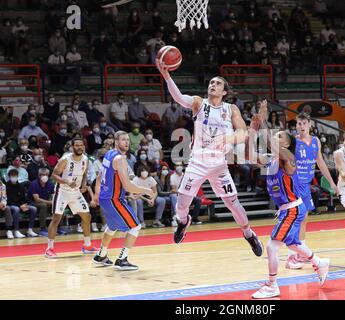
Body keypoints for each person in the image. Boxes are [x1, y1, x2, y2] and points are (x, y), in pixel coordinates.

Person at [156, 61, 263, 256]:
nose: (212, 85)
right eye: (211, 82)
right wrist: (167, 77)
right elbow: (179, 98)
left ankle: (248, 234)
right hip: (197, 162)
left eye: (217, 84)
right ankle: (183, 221)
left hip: (219, 165)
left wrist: (230, 137)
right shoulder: (199, 102)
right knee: (181, 205)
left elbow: (243, 132)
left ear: (224, 92)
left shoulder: (231, 109)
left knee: (233, 203)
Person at [248, 117, 330, 299]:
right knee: (293, 243)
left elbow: (270, 142)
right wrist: (252, 131)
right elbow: (248, 154)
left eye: (280, 137)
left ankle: (272, 285)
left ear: (287, 144)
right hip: (286, 209)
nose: (275, 139)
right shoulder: (271, 160)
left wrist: (262, 122)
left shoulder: (289, 159)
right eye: (275, 136)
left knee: (271, 247)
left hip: (293, 209)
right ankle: (319, 262)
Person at [280, 111, 339, 269]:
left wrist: (332, 183)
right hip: (295, 183)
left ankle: (300, 253)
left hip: (305, 185)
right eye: (299, 123)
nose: (301, 126)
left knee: (304, 218)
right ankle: (291, 257)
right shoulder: (292, 142)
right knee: (296, 219)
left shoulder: (316, 141)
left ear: (310, 125)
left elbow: (321, 163)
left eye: (304, 123)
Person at [93, 131, 154, 270]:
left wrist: (97, 195)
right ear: (116, 141)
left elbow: (99, 176)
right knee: (135, 226)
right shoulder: (120, 159)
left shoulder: (108, 154)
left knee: (112, 226)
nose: (126, 142)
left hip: (105, 198)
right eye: (123, 140)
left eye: (127, 139)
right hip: (114, 199)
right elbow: (127, 186)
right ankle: (122, 259)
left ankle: (101, 255)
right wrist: (146, 190)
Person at [45, 138, 97, 258]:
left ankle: (87, 245)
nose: (79, 147)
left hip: (76, 192)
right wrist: (66, 182)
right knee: (56, 218)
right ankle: (49, 248)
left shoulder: (85, 159)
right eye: (77, 145)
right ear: (72, 147)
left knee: (87, 216)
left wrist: (84, 184)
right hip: (62, 191)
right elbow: (53, 175)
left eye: (81, 145)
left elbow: (84, 174)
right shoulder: (65, 159)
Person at [6, 169, 38, 238]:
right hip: (11, 205)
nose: (14, 177)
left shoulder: (20, 186)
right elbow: (8, 200)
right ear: (9, 177)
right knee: (16, 209)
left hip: (20, 205)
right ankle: (16, 230)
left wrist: (24, 204)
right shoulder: (6, 186)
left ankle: (30, 229)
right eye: (12, 176)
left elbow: (23, 198)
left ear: (17, 176)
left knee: (33, 209)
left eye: (15, 176)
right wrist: (20, 206)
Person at [28, 168, 54, 237]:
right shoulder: (34, 184)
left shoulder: (50, 184)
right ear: (39, 175)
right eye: (43, 174)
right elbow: (37, 199)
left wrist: (53, 201)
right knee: (43, 205)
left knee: (57, 205)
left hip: (46, 202)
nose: (44, 176)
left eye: (46, 174)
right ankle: (43, 229)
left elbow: (52, 196)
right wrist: (49, 202)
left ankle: (58, 227)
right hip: (33, 203)